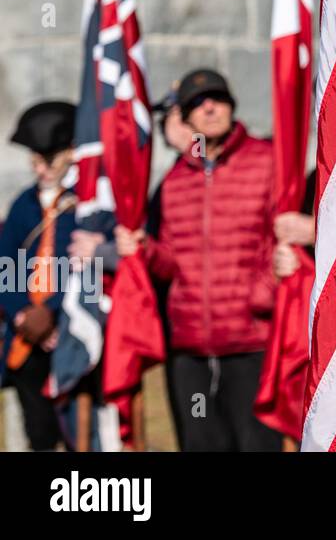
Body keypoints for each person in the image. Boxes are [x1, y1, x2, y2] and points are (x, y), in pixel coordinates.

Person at [116, 69, 281, 451]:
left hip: (252, 342)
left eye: (217, 98)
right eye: (196, 104)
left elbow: (287, 239)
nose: (209, 108)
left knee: (258, 445)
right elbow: (172, 262)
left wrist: (264, 292)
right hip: (190, 347)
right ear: (185, 119)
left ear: (232, 106)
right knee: (200, 444)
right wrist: (144, 249)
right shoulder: (175, 181)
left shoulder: (268, 161)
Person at [0, 101, 78, 450]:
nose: (40, 166)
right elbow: (7, 265)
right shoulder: (24, 205)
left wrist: (56, 315)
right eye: (36, 157)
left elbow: (87, 272)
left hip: (71, 330)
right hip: (29, 335)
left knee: (79, 427)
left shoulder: (85, 203)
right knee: (39, 431)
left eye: (49, 157)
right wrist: (22, 315)